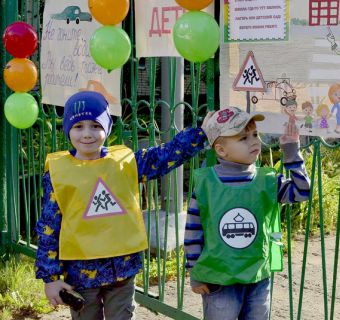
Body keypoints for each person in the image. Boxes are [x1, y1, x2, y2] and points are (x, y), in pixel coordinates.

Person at [35, 91, 207, 319]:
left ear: (107, 127)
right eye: (78, 127)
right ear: (68, 129)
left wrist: (202, 133)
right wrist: (51, 278)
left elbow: (165, 156)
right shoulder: (59, 173)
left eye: (96, 125)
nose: (87, 134)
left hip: (122, 271)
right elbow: (49, 227)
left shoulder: (126, 163)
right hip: (81, 275)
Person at [184, 107, 311, 320]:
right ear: (221, 150)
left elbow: (302, 191)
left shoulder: (268, 181)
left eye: (255, 135)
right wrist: (195, 273)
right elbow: (193, 231)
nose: (254, 141)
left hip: (258, 278)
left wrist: (291, 152)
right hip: (219, 280)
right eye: (243, 138)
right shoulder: (206, 184)